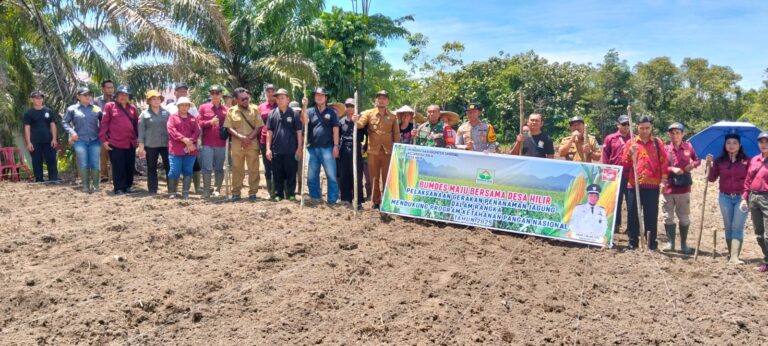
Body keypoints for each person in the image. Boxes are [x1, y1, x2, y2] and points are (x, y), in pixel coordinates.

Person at [621, 115, 669, 250]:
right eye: (642, 128)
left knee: (651, 214)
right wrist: (631, 154)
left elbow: (664, 162)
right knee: (632, 214)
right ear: (637, 127)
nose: (644, 131)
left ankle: (651, 242)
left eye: (647, 128)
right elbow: (624, 163)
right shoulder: (631, 143)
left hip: (652, 185)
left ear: (651, 127)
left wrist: (664, 179)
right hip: (633, 184)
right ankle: (632, 242)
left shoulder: (658, 143)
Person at [353, 90, 399, 209]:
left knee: (387, 177)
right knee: (374, 177)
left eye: (384, 98)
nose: (381, 100)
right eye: (379, 98)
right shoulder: (368, 113)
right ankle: (376, 201)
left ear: (387, 101)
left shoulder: (393, 116)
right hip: (372, 151)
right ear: (376, 100)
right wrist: (355, 119)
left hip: (388, 152)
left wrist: (398, 150)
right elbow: (360, 125)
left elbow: (396, 135)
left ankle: (387, 200)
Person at [707, 134, 750, 264]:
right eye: (728, 143)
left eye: (735, 143)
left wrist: (746, 197)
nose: (731, 145)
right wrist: (709, 164)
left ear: (740, 145)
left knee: (737, 226)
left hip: (741, 198)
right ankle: (731, 254)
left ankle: (735, 257)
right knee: (728, 226)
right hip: (724, 197)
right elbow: (711, 178)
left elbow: (750, 180)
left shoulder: (747, 160)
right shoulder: (720, 161)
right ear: (725, 145)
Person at [661, 122, 701, 254]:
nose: (675, 135)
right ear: (669, 134)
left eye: (678, 132)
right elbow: (660, 166)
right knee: (668, 216)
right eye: (672, 133)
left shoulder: (689, 147)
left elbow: (698, 159)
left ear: (682, 134)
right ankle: (670, 243)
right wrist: (672, 168)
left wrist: (692, 165)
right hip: (668, 188)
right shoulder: (665, 149)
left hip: (683, 188)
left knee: (684, 217)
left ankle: (684, 244)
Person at [224, 87, 263, 202]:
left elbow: (259, 126)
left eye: (247, 98)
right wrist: (242, 138)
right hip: (237, 145)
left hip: (252, 144)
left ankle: (253, 193)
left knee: (254, 169)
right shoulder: (231, 111)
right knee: (237, 169)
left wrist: (249, 138)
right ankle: (236, 193)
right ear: (236, 100)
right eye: (242, 99)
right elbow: (229, 128)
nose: (246, 101)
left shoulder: (255, 109)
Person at [303, 87, 340, 204]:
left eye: (322, 95)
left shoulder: (332, 112)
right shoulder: (309, 111)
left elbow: (335, 130)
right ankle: (315, 198)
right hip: (312, 149)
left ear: (326, 98)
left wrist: (336, 146)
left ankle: (332, 199)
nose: (319, 97)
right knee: (311, 176)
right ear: (314, 97)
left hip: (328, 149)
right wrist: (304, 106)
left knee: (331, 176)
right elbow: (304, 121)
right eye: (317, 95)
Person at [99, 86, 139, 195]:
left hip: (130, 142)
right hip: (115, 142)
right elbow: (104, 123)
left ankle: (128, 186)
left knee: (129, 165)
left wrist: (137, 139)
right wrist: (104, 140)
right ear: (116, 96)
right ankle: (119, 188)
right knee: (118, 166)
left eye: (126, 95)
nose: (123, 97)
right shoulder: (110, 106)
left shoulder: (132, 108)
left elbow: (136, 124)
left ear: (128, 97)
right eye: (121, 94)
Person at [266, 88, 303, 201]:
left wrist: (299, 148)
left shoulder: (294, 114)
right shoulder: (272, 114)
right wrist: (268, 148)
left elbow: (299, 132)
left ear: (288, 99)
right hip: (276, 149)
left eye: (282, 98)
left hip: (291, 150)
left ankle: (291, 193)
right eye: (278, 98)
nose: (280, 100)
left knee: (291, 172)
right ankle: (278, 194)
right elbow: (269, 132)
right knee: (277, 173)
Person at [62, 88, 101, 191]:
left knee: (95, 163)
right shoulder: (72, 109)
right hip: (80, 140)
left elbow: (104, 122)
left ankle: (96, 186)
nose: (87, 96)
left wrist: (103, 135)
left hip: (95, 140)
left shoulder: (96, 108)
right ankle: (85, 186)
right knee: (83, 163)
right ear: (78, 97)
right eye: (84, 95)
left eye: (89, 94)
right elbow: (65, 122)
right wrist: (72, 133)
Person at [165, 82, 201, 192]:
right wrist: (184, 139)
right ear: (178, 106)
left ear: (189, 106)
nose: (184, 107)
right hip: (176, 148)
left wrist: (191, 141)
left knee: (188, 170)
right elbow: (171, 130)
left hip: (190, 149)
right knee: (174, 170)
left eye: (186, 105)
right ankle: (172, 192)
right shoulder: (172, 117)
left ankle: (185, 193)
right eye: (182, 105)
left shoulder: (192, 118)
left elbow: (197, 130)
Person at [741, 131, 768, 272]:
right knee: (759, 233)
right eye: (761, 142)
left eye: (766, 142)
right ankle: (767, 259)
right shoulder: (754, 160)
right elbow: (748, 180)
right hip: (754, 197)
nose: (763, 145)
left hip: (767, 197)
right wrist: (744, 198)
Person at [197, 85, 229, 198]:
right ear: (210, 94)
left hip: (221, 143)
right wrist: (209, 122)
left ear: (221, 94)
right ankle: (206, 191)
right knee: (206, 167)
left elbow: (230, 126)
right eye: (212, 93)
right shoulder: (203, 107)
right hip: (207, 143)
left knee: (219, 168)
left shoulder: (226, 110)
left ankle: (217, 190)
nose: (215, 95)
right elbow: (199, 123)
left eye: (217, 93)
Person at [602, 115, 632, 233]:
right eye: (623, 124)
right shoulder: (611, 138)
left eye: (628, 124)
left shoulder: (633, 138)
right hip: (614, 173)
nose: (626, 127)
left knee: (631, 202)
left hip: (629, 174)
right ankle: (615, 224)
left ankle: (631, 226)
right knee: (615, 201)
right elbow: (605, 156)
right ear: (618, 125)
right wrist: (606, 171)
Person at [137, 90, 171, 195]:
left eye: (158, 99)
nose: (156, 101)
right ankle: (152, 190)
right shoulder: (144, 114)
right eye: (154, 99)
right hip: (151, 145)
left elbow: (171, 128)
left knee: (169, 167)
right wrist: (141, 147)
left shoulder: (166, 113)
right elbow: (141, 132)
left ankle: (172, 189)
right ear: (149, 101)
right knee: (151, 167)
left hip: (166, 144)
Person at [23, 91, 59, 183]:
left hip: (49, 140)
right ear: (32, 99)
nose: (39, 100)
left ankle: (53, 179)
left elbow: (53, 125)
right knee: (36, 161)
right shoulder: (29, 113)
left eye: (40, 98)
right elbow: (27, 128)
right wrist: (28, 142)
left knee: (51, 160)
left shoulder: (48, 111)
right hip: (35, 142)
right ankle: (39, 180)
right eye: (36, 98)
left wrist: (54, 139)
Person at [337, 98, 365, 206]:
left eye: (352, 106)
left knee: (356, 175)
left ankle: (358, 201)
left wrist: (364, 148)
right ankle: (346, 199)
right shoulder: (341, 121)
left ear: (355, 107)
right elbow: (338, 136)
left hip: (356, 149)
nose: (349, 108)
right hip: (344, 150)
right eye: (347, 106)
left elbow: (366, 135)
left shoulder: (360, 121)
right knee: (345, 175)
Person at [258, 84, 277, 199]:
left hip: (278, 140)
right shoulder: (261, 107)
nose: (270, 94)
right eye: (268, 91)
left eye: (272, 91)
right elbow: (257, 125)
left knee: (277, 166)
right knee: (267, 166)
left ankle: (277, 189)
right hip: (264, 140)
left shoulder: (280, 105)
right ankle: (270, 191)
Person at [94, 79, 115, 182]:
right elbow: (93, 115)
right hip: (102, 132)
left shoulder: (117, 100)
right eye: (108, 87)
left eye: (112, 87)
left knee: (115, 155)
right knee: (103, 155)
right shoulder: (96, 101)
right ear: (103, 89)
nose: (110, 90)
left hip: (116, 132)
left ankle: (114, 176)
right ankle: (104, 176)